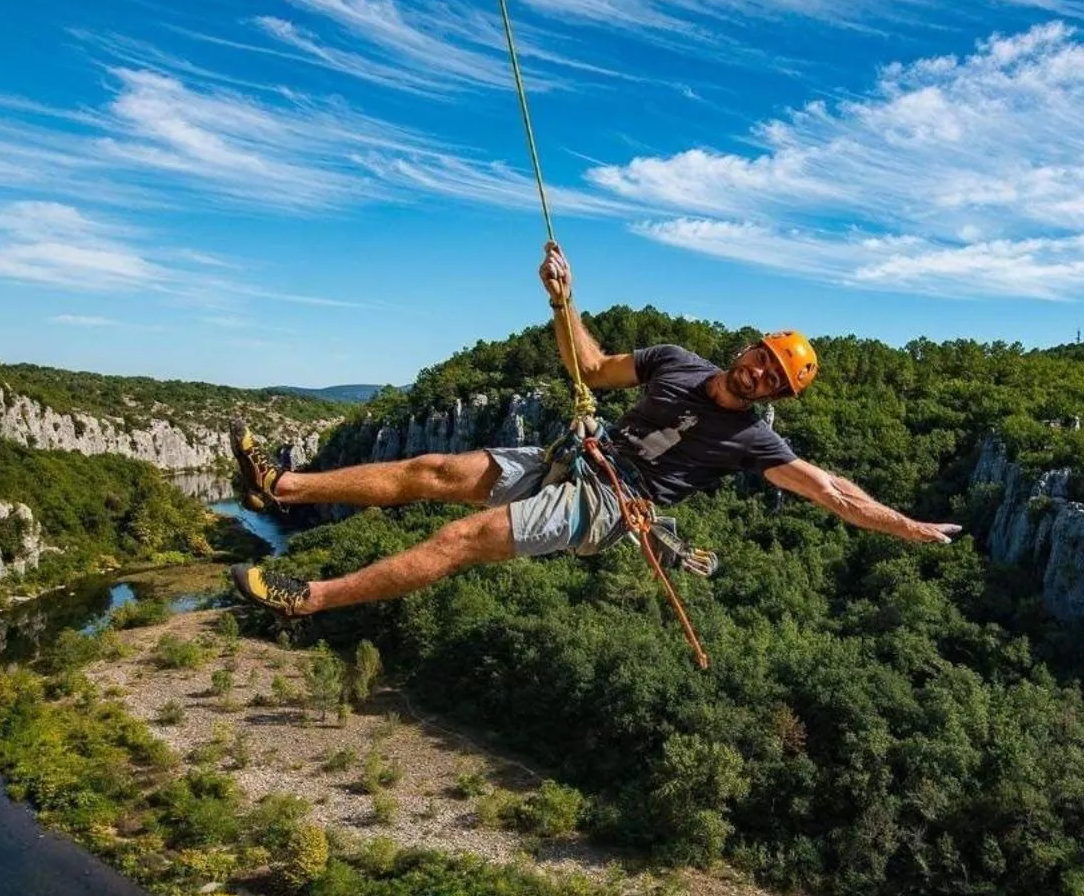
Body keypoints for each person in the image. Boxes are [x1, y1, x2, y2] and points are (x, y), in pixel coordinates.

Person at [227, 242, 962, 617]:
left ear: (777, 396)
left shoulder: (752, 441)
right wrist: (563, 301)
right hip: (581, 455)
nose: (759, 375)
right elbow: (592, 364)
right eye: (763, 360)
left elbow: (833, 491)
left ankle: (308, 597)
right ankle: (280, 485)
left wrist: (906, 527)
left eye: (774, 380)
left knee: (460, 540)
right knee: (432, 470)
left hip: (609, 501)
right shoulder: (675, 361)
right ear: (749, 348)